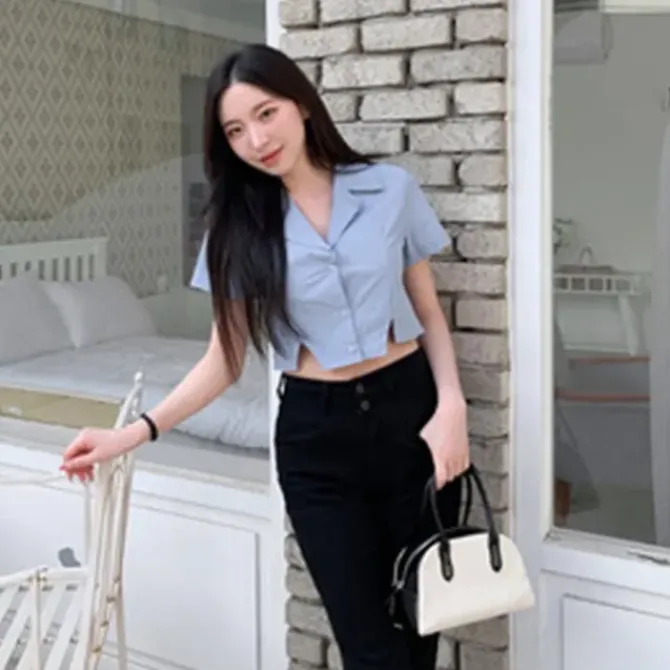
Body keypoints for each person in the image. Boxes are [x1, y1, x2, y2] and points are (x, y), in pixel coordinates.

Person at [60, 43, 470, 670]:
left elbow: (429, 314)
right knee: (369, 648)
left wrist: (451, 409)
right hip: (317, 441)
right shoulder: (235, 228)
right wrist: (132, 433)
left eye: (266, 113)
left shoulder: (389, 190)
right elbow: (223, 359)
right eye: (234, 130)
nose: (256, 140)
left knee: (422, 625)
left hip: (412, 420)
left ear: (301, 104)